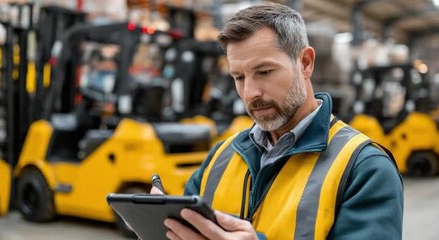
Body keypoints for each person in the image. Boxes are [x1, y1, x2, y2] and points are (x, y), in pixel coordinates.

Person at [151, 2, 403, 239]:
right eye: (239, 77)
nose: (250, 93)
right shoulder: (221, 156)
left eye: (264, 72)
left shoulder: (365, 168)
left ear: (305, 63)